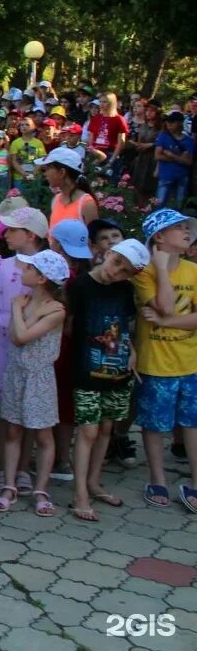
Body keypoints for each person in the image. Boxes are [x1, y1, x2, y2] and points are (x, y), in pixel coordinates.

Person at [67, 238, 147, 521]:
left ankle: (93, 481)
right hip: (86, 369)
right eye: (116, 263)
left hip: (117, 370)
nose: (116, 273)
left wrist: (132, 352)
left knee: (106, 428)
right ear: (107, 253)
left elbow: (126, 327)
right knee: (87, 430)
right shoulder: (80, 286)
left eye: (125, 271)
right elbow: (69, 328)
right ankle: (79, 493)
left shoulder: (125, 290)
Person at [0, 249, 68, 518]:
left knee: (43, 434)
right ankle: (10, 485)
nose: (23, 271)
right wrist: (23, 315)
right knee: (13, 430)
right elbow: (14, 336)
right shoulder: (26, 302)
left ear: (41, 278)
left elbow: (23, 336)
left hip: (39, 377)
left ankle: (41, 489)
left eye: (30, 269)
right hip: (17, 372)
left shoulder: (56, 309)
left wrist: (17, 310)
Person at [131, 208, 197, 512]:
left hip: (190, 362)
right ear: (160, 236)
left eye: (187, 227)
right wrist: (159, 267)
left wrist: (165, 322)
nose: (188, 232)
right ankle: (158, 479)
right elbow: (167, 305)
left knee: (192, 424)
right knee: (155, 425)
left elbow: (170, 315)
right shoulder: (144, 273)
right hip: (156, 363)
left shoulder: (194, 271)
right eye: (180, 228)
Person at [154, 111, 194, 209]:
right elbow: (157, 156)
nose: (169, 124)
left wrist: (170, 155)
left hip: (181, 176)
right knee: (160, 204)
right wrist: (179, 158)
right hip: (165, 176)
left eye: (172, 122)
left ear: (180, 123)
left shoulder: (189, 141)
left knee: (179, 206)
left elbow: (189, 161)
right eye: (168, 122)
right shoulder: (163, 136)